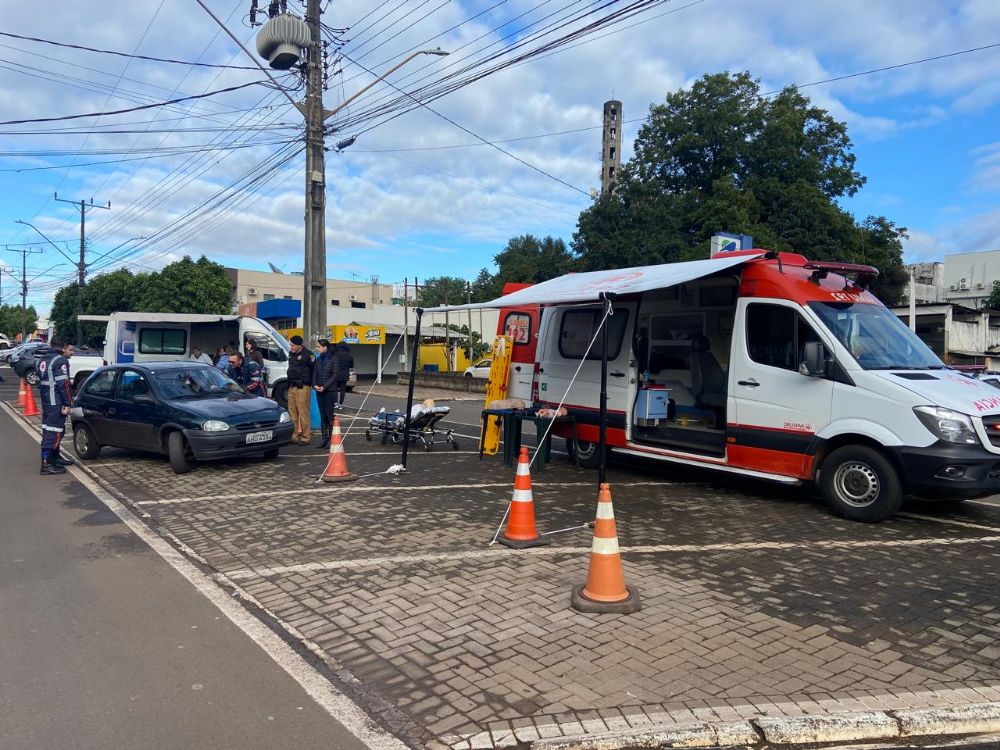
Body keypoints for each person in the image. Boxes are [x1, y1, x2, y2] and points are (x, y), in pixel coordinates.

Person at [37, 336, 75, 475]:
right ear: (63, 346)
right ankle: (46, 465)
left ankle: (55, 458)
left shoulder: (42, 360)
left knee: (55, 431)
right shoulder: (60, 361)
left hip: (47, 402)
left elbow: (38, 382)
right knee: (53, 433)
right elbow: (63, 384)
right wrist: (67, 402)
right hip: (56, 402)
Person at [286, 335, 315, 445]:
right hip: (292, 386)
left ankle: (305, 437)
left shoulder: (308, 355)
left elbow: (314, 370)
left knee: (303, 412)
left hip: (302, 387)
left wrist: (311, 383)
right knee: (292, 412)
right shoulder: (291, 354)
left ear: (299, 345)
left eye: (293, 345)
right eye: (290, 345)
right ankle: (294, 436)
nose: (291, 347)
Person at [312, 338, 340, 448]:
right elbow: (314, 373)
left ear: (325, 347)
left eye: (319, 346)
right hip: (319, 391)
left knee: (329, 415)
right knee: (322, 415)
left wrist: (324, 386)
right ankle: (324, 438)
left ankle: (331, 438)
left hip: (330, 391)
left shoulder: (334, 359)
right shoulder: (318, 360)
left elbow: (334, 375)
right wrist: (315, 385)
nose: (317, 348)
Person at [333, 340, 354, 410]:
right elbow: (351, 366)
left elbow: (332, 364)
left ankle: (335, 403)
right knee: (342, 390)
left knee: (335, 389)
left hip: (336, 374)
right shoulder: (349, 355)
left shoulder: (335, 354)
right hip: (345, 374)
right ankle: (341, 404)